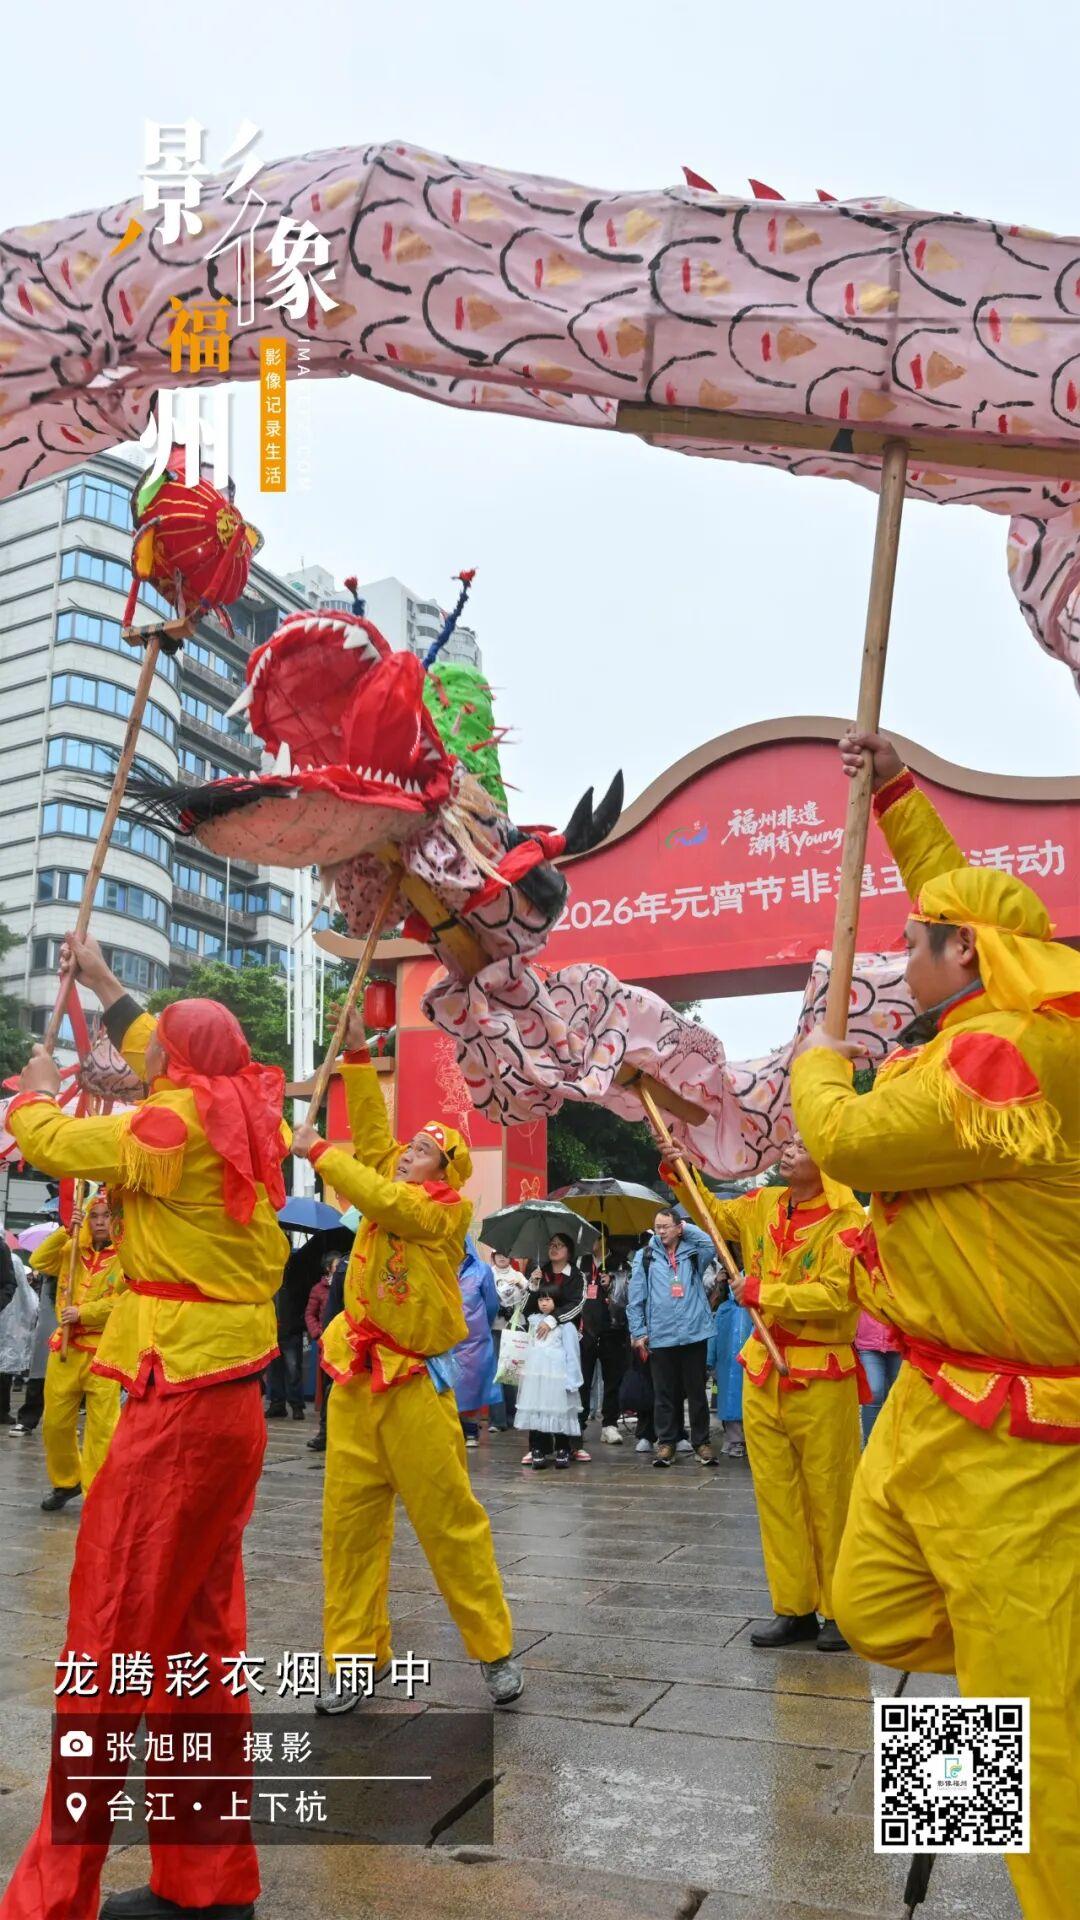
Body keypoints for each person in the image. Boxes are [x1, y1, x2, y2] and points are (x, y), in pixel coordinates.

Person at [791, 729, 1080, 1920]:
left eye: (914, 941)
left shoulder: (1001, 1058)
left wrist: (821, 1058)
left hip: (1018, 1437)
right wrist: (897, 793)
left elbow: (844, 1138)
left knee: (1027, 1720)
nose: (900, 952)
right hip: (926, 1399)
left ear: (962, 954)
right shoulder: (989, 1017)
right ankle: (985, 1774)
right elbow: (958, 899)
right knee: (878, 1609)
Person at [0, 929, 289, 1920]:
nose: (144, 1054)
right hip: (230, 1408)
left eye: (155, 1050)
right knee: (200, 1647)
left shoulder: (171, 1128)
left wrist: (36, 1090)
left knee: (109, 1641)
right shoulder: (246, 1100)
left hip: (175, 1419)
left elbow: (60, 1143)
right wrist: (107, 984)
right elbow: (169, 1047)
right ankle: (207, 1887)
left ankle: (51, 1900)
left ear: (173, 1067)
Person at [291, 1014, 522, 1713]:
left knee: (451, 1523)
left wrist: (321, 1153)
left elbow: (380, 1189)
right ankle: (352, 1659)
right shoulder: (391, 1190)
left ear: (443, 1172)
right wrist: (359, 1057)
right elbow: (371, 1143)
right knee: (348, 1530)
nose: (404, 1154)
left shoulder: (442, 1214)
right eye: (409, 1146)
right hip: (356, 1387)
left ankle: (494, 1652)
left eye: (420, 1150)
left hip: (415, 1389)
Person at [694, 1146, 867, 1651]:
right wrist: (680, 1166)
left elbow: (839, 1295)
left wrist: (765, 1293)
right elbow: (712, 1213)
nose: (789, 1150)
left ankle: (840, 1610)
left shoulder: (848, 1219)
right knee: (776, 1496)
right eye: (789, 1141)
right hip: (762, 1369)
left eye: (803, 1145)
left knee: (831, 1495)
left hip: (820, 1373)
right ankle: (793, 1607)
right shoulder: (763, 1203)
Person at [27, 1193, 124, 1510]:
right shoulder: (70, 1250)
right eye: (93, 1216)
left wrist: (86, 1313)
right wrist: (65, 1232)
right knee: (55, 1422)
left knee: (103, 1426)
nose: (98, 1222)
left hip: (104, 1351)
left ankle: (98, 1489)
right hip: (65, 1348)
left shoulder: (127, 1257)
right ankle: (66, 1481)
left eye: (104, 1216)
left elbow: (125, 1301)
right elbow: (39, 1261)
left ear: (115, 1220)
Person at [628, 1206, 718, 1468]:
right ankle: (666, 1442)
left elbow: (710, 1243)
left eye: (667, 1226)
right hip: (661, 1334)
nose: (661, 1231)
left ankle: (701, 1442)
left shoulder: (692, 1253)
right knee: (664, 1392)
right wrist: (638, 1331)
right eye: (658, 1226)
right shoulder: (645, 1256)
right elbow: (636, 1297)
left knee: (697, 1392)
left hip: (694, 1332)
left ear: (679, 1228)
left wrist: (687, 1227)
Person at [522, 1233, 587, 1461]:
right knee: (539, 1393)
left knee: (569, 1392)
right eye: (551, 1245)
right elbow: (525, 1310)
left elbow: (577, 1303)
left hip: (567, 1339)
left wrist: (553, 1319)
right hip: (541, 1347)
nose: (554, 1249)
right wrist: (532, 1286)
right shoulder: (540, 1271)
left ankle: (571, 1444)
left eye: (559, 1246)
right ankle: (537, 1445)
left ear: (569, 1250)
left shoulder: (576, 1276)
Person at [514, 1287, 584, 1468]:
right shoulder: (533, 1321)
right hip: (537, 1376)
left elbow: (572, 1354)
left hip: (558, 1377)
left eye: (548, 1300)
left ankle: (563, 1447)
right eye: (541, 1300)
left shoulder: (566, 1326)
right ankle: (538, 1448)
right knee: (538, 1410)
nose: (544, 1303)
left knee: (560, 1411)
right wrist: (532, 1286)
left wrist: (572, 1379)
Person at [454, 1236, 502, 1445]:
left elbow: (492, 1304)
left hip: (474, 1339)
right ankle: (453, 1430)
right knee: (450, 1384)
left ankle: (472, 1430)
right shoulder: (439, 1267)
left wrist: (482, 1324)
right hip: (447, 1338)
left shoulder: (482, 1270)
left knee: (473, 1383)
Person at [265, 1239, 314, 1420]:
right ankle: (277, 1404)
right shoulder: (269, 1268)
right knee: (274, 1370)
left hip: (290, 1328)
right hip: (271, 1329)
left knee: (294, 1369)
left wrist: (299, 1322)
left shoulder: (297, 1270)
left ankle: (296, 1405)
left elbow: (304, 1298)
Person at [580, 1266, 630, 1444]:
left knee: (612, 1379)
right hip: (586, 1330)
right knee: (583, 1380)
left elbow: (628, 1293)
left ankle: (610, 1424)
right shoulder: (582, 1261)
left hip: (613, 1329)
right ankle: (579, 1422)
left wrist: (613, 1281)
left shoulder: (620, 1263)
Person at [306, 1254, 347, 1455]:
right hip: (332, 1341)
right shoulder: (320, 1289)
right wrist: (319, 1334)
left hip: (351, 1339)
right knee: (330, 1389)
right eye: (335, 1265)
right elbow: (313, 1313)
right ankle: (324, 1433)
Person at [488, 1249, 527, 1430]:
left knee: (511, 1373)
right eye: (498, 1254)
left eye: (505, 1253)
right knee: (496, 1373)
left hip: (514, 1330)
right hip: (493, 1329)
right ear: (493, 1257)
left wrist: (521, 1285)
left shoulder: (518, 1275)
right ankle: (497, 1420)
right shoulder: (488, 1273)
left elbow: (530, 1296)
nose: (502, 1257)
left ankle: (513, 1418)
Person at [854, 1309, 902, 1443]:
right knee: (874, 1391)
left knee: (897, 1394)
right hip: (868, 1344)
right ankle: (870, 1444)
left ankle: (893, 1443)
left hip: (899, 1344)